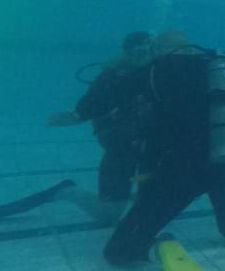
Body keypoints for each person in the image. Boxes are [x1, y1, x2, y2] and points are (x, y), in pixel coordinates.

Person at [102, 31, 225, 271]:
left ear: (158, 50)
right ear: (190, 47)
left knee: (118, 250)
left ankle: (153, 247)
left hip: (183, 166)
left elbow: (112, 100)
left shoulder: (154, 72)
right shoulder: (218, 70)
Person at [45, 31, 155, 224]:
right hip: (121, 150)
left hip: (152, 150)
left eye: (150, 51)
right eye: (139, 53)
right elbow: (88, 107)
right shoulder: (112, 77)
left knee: (154, 199)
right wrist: (74, 117)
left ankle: (140, 196)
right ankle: (68, 191)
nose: (146, 57)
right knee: (108, 214)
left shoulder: (162, 74)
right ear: (127, 54)